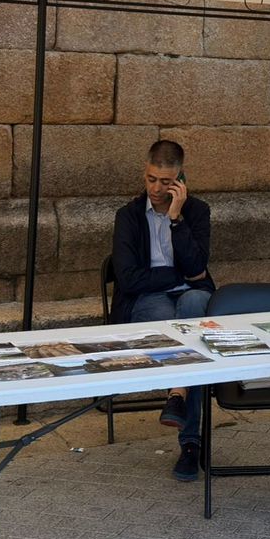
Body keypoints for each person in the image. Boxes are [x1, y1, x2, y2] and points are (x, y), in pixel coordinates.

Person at [111, 139, 215, 482]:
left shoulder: (196, 212)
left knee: (197, 306)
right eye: (152, 179)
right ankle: (191, 443)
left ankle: (176, 397)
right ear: (145, 172)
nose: (157, 188)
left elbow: (199, 265)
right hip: (148, 299)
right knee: (188, 341)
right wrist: (178, 274)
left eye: (166, 182)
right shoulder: (128, 217)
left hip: (189, 297)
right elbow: (127, 279)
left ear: (180, 180)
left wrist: (175, 219)